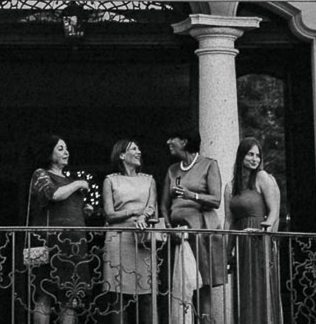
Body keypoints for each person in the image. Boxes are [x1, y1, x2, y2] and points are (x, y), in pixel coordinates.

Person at [26, 134, 98, 324]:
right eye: (60, 148)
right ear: (49, 153)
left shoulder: (67, 179)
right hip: (51, 243)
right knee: (45, 294)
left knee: (71, 298)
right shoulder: (41, 174)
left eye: (66, 148)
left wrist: (85, 209)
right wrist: (78, 184)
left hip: (74, 245)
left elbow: (68, 206)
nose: (66, 152)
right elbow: (53, 195)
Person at [163, 129, 227, 324]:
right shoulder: (172, 170)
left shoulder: (209, 165)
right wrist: (168, 226)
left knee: (202, 286)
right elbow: (164, 205)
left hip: (201, 232)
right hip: (178, 237)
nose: (168, 142)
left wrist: (192, 195)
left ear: (184, 141)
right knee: (179, 287)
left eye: (172, 137)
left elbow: (216, 200)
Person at [103, 138, 161, 324]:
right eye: (134, 149)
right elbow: (109, 214)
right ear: (121, 155)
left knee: (147, 295)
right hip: (117, 240)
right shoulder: (110, 180)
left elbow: (152, 207)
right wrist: (134, 212)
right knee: (118, 297)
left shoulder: (149, 180)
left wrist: (143, 217)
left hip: (142, 238)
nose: (138, 152)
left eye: (139, 149)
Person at [227, 138, 282, 324]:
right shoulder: (231, 186)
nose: (255, 159)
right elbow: (229, 221)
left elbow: (274, 209)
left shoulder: (262, 177)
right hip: (241, 242)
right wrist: (227, 252)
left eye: (258, 155)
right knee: (244, 288)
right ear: (241, 155)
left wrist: (267, 227)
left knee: (261, 286)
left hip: (259, 238)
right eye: (250, 154)